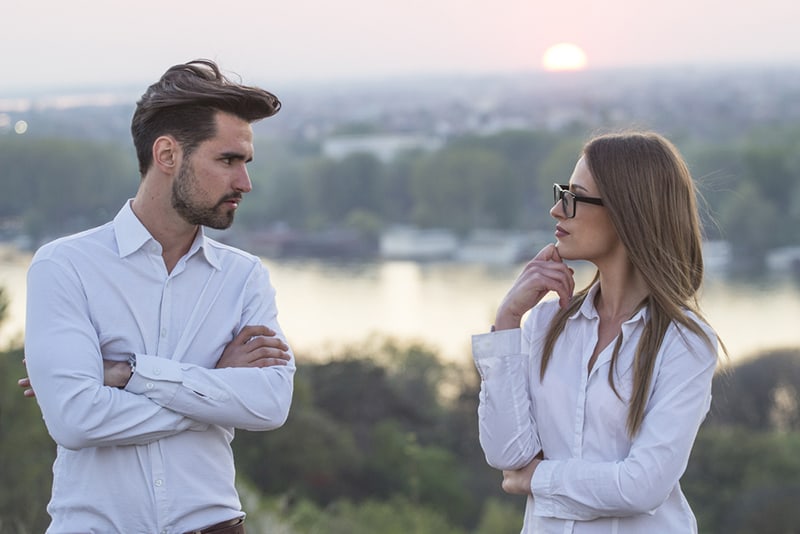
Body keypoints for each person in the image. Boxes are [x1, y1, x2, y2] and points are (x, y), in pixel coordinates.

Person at [20, 59, 295, 533]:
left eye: (245, 163)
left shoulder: (244, 277)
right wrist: (212, 386)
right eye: (227, 160)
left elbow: (268, 405)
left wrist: (126, 374)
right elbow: (76, 421)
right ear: (167, 154)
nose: (244, 183)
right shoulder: (64, 267)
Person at [472, 131, 724, 533]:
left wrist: (537, 479)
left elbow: (644, 485)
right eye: (561, 193)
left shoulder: (685, 342)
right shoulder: (544, 323)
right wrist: (507, 321)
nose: (557, 210)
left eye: (573, 196)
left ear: (627, 211)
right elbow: (507, 454)